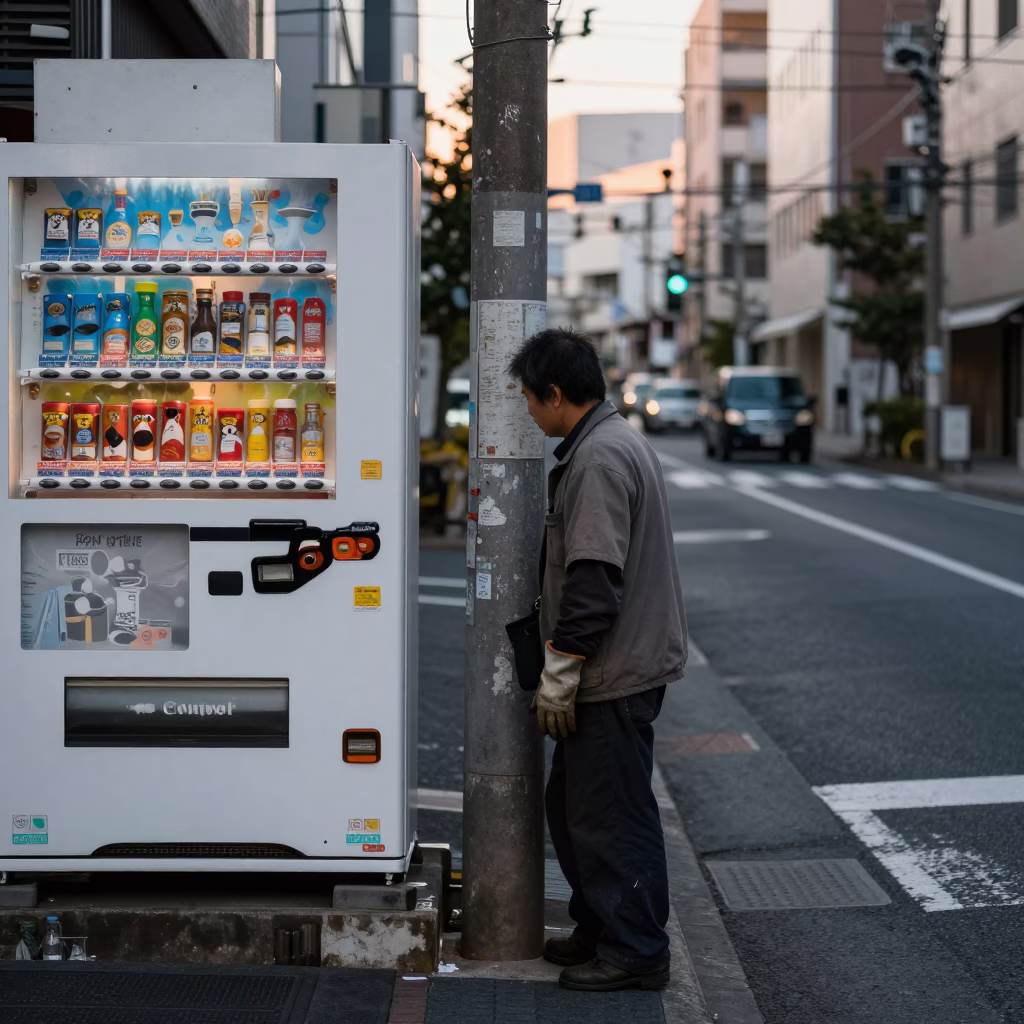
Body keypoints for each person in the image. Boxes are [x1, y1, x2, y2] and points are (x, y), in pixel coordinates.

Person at [508, 326, 688, 993]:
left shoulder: (599, 460)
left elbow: (594, 580)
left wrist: (560, 669)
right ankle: (601, 926)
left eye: (529, 399)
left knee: (610, 815)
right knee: (577, 807)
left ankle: (637, 949)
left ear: (556, 394)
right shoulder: (610, 442)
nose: (527, 412)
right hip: (621, 664)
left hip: (612, 671)